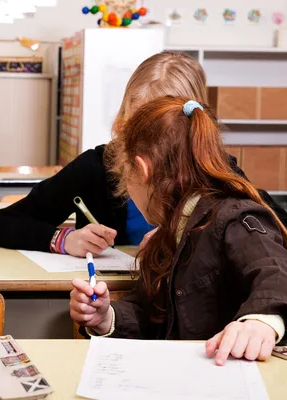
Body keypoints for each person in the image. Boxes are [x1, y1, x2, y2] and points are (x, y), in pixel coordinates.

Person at [0, 51, 287, 257]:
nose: (141, 142)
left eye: (156, 130)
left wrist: (187, 241)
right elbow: (0, 226)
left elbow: (277, 231)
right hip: (114, 311)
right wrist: (62, 239)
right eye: (133, 124)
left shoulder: (216, 170)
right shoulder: (97, 166)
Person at [70, 96, 287, 365]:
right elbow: (153, 317)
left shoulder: (233, 218)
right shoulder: (169, 234)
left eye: (126, 177)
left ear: (142, 169)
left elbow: (276, 272)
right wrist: (106, 318)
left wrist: (259, 321)